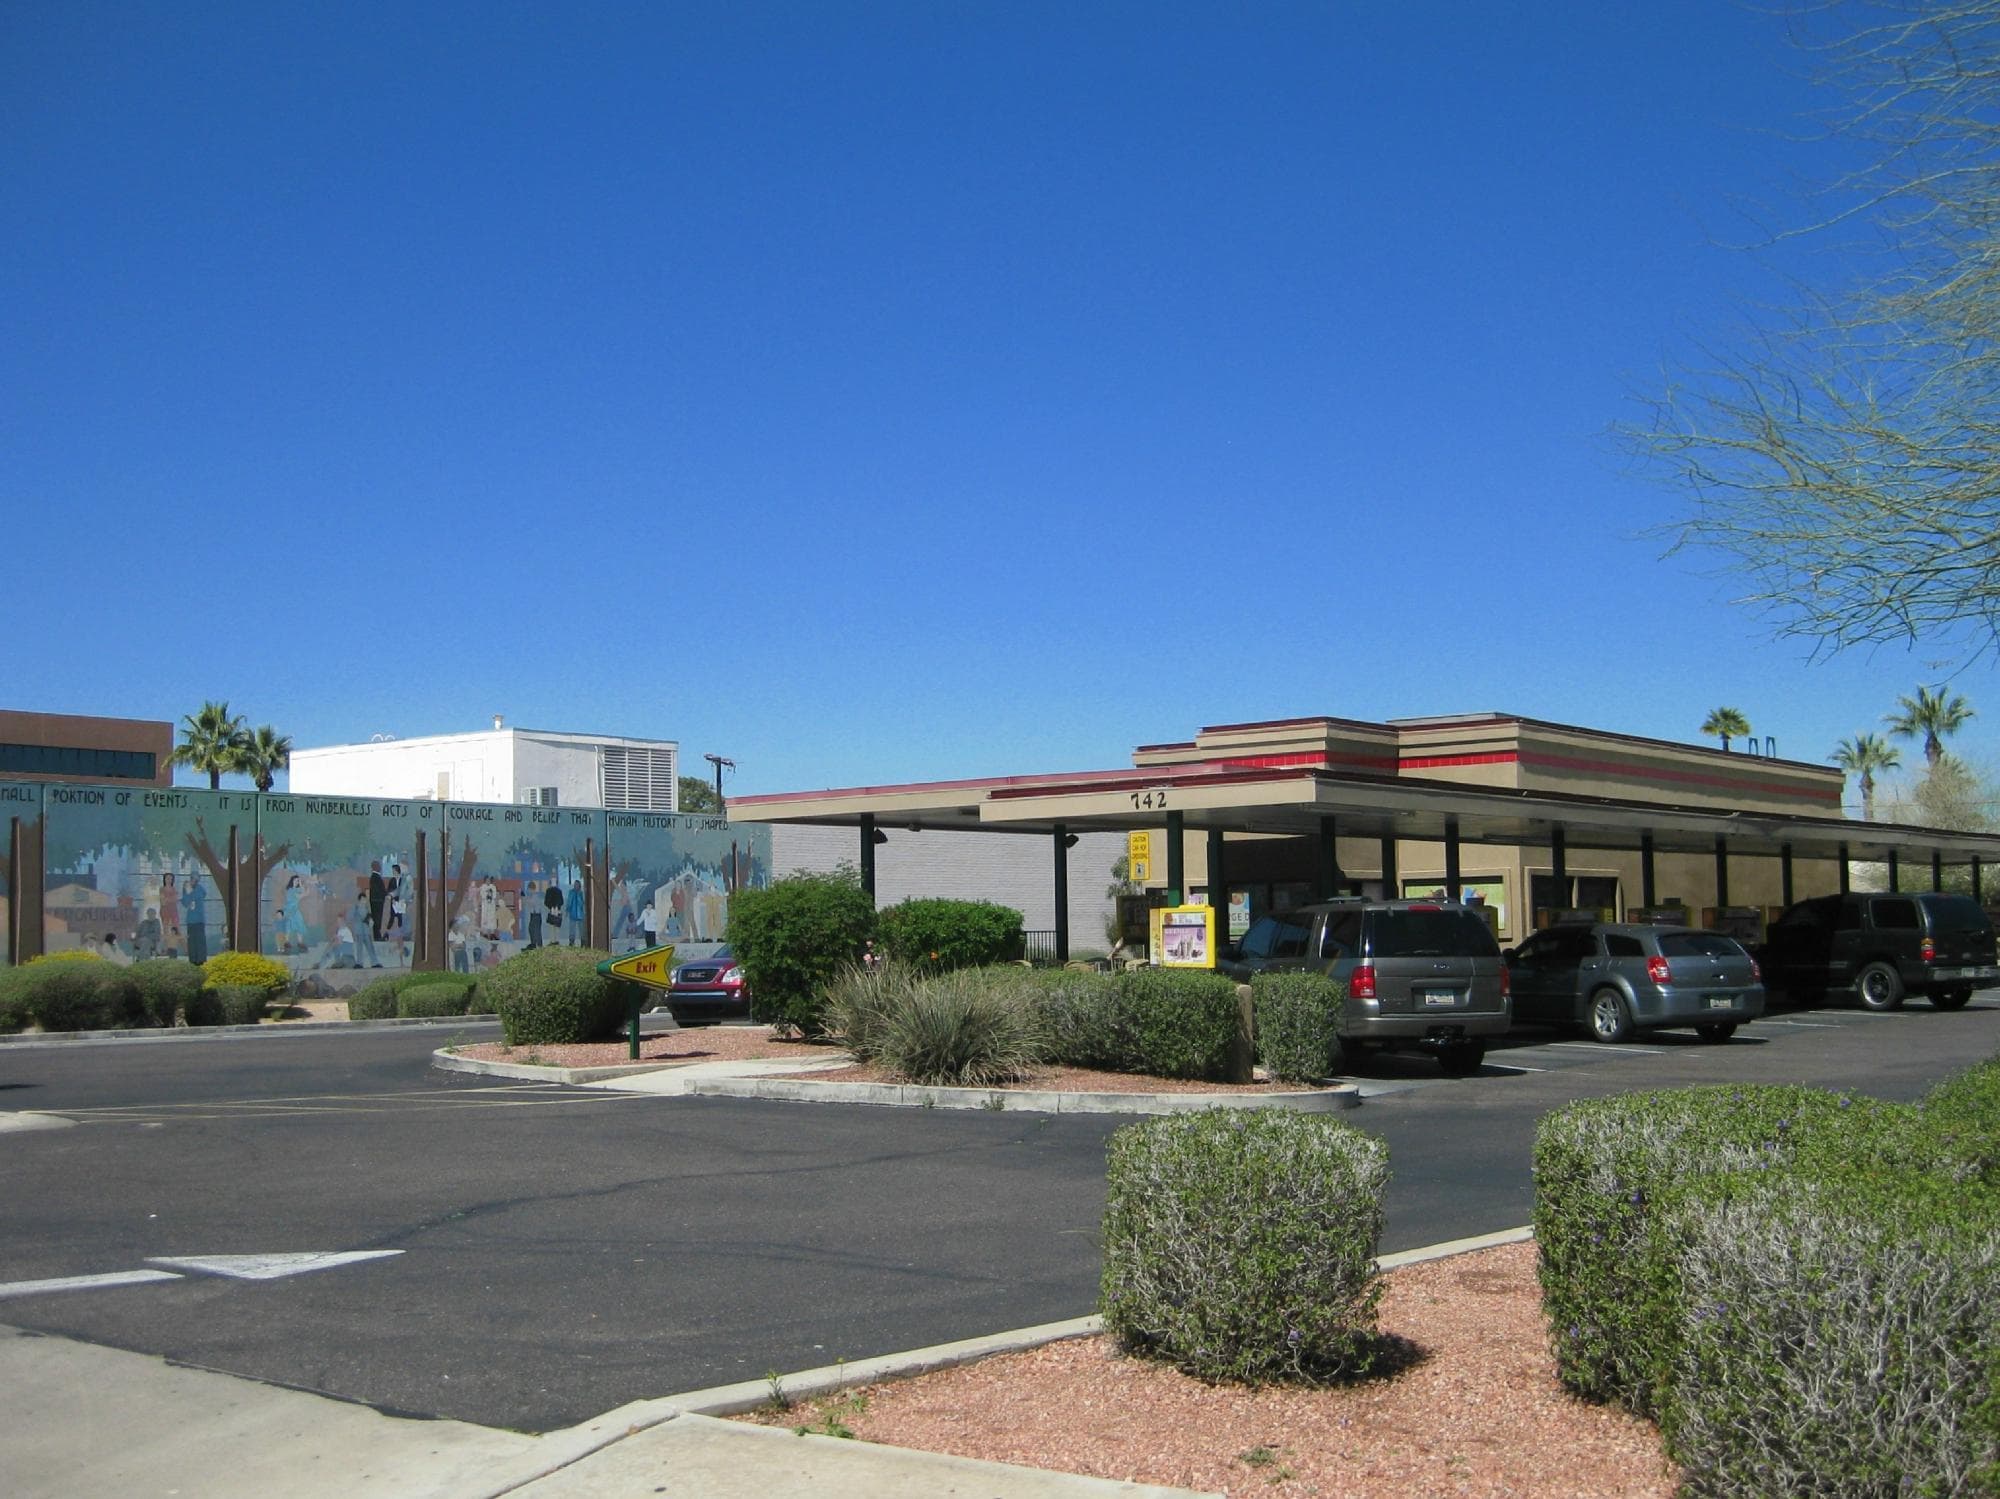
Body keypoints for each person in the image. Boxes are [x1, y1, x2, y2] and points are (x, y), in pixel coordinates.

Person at [351, 883, 383, 968]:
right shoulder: (356, 908)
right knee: (359, 948)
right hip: (359, 931)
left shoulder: (366, 909)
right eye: (363, 900)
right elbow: (353, 917)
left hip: (366, 931)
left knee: (370, 947)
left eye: (365, 900)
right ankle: (359, 963)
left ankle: (374, 962)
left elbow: (368, 918)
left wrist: (370, 921)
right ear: (359, 900)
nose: (364, 902)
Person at [565, 878, 585, 945]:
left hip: (580, 914)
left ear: (579, 885)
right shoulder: (571, 892)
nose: (575, 886)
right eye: (575, 884)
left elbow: (582, 903)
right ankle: (571, 941)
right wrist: (567, 910)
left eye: (577, 884)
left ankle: (582, 941)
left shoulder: (581, 893)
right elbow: (569, 902)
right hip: (573, 913)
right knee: (572, 928)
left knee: (581, 929)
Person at [544, 879, 564, 943]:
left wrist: (550, 906)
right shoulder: (559, 891)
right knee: (557, 925)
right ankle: (556, 940)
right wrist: (557, 906)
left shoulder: (548, 891)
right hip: (558, 909)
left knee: (551, 925)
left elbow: (546, 902)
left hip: (551, 910)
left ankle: (552, 940)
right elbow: (562, 901)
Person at [525, 881, 544, 949]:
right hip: (533, 915)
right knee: (531, 929)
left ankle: (539, 945)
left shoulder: (535, 896)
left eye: (529, 889)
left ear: (532, 889)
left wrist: (526, 899)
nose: (528, 890)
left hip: (536, 915)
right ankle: (534, 944)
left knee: (536, 931)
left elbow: (532, 904)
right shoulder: (531, 896)